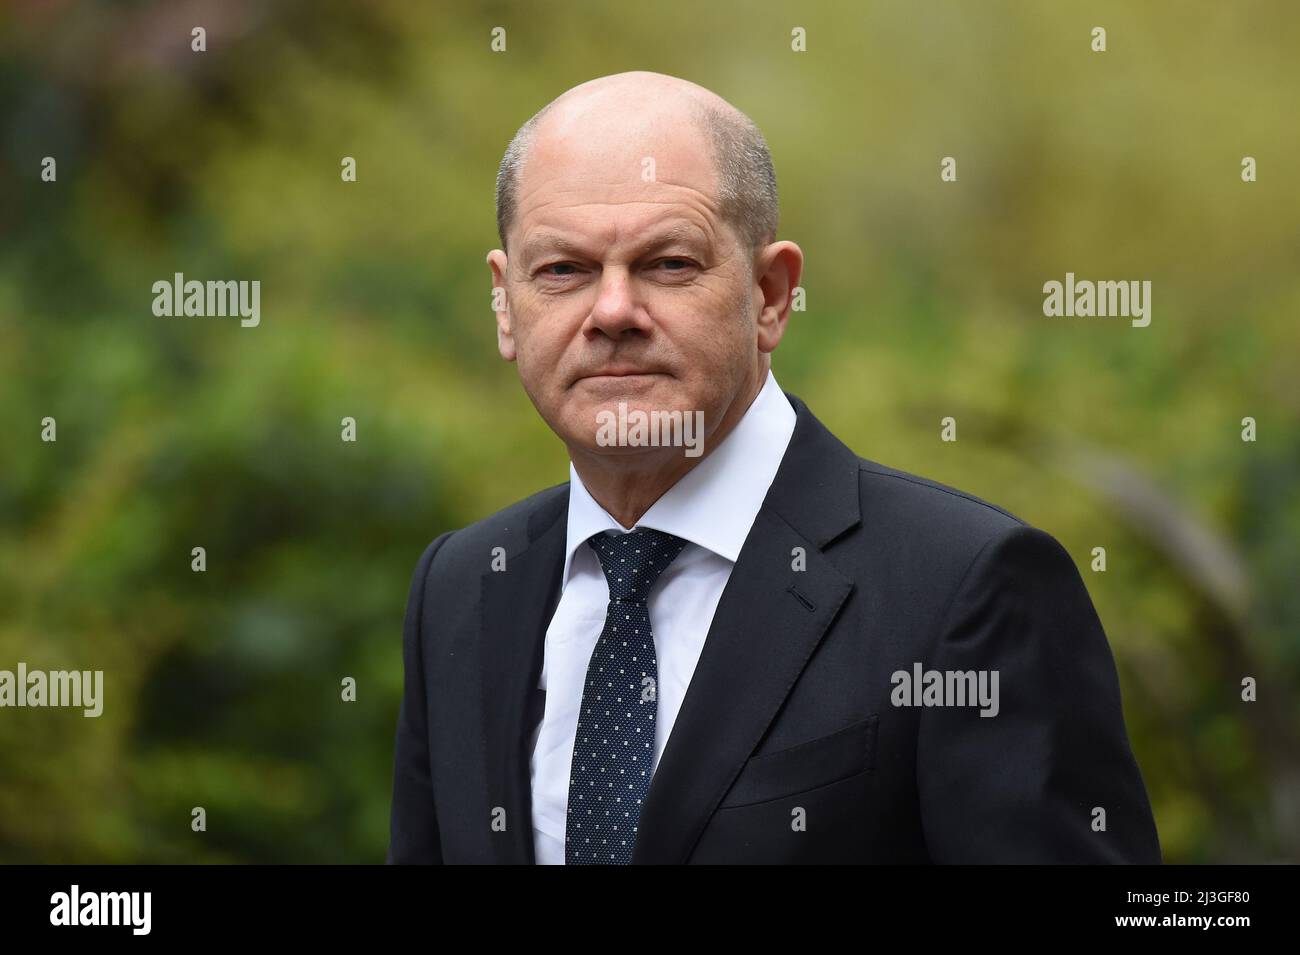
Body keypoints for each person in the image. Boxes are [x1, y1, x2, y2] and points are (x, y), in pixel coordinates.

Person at [386, 70, 1161, 864]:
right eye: (562, 271)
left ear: (771, 294)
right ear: (505, 304)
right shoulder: (463, 586)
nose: (612, 311)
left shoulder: (965, 587)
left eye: (668, 263)